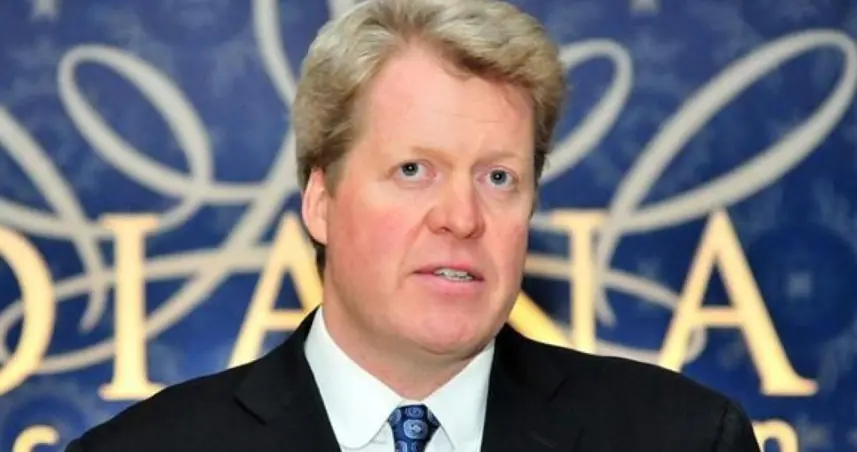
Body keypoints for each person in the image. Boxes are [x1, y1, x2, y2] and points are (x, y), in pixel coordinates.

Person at [66, 0, 762, 450]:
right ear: (320, 201)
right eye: (413, 170)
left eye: (498, 178)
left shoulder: (681, 438)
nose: (462, 218)